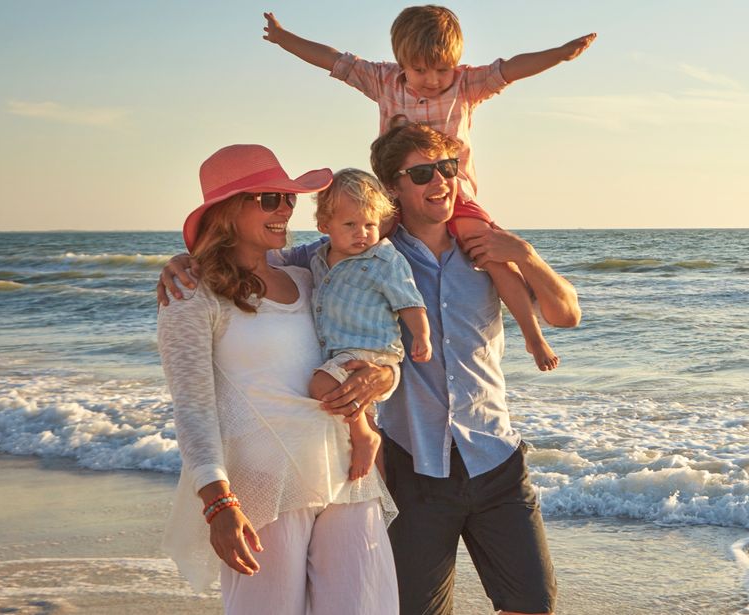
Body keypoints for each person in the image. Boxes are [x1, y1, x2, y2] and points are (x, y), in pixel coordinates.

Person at [159, 124, 582, 615]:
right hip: (390, 467)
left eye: (449, 168)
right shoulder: (343, 255)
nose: (441, 181)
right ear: (393, 190)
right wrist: (186, 261)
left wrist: (525, 255)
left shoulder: (481, 249)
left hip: (466, 460)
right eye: (422, 173)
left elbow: (564, 315)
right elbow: (251, 269)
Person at [260, 5, 594, 372]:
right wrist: (282, 38)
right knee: (354, 248)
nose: (433, 80)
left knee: (493, 255)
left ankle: (532, 337)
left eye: (442, 69)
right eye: (420, 69)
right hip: (391, 199)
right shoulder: (383, 81)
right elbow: (333, 60)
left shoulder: (467, 85)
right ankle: (347, 350)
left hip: (460, 198)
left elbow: (511, 68)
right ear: (401, 62)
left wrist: (560, 55)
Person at [157, 144, 400, 613]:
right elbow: (192, 407)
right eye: (270, 199)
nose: (286, 209)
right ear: (228, 212)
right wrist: (217, 503)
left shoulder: (310, 276)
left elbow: (367, 346)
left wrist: (382, 377)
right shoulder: (192, 293)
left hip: (348, 474)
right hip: (263, 483)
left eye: (288, 198)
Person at [307, 168, 432, 482]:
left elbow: (409, 300)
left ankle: (364, 437)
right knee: (362, 414)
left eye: (370, 225)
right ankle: (378, 498)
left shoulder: (385, 260)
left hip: (372, 353)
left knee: (321, 386)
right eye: (350, 225)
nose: (361, 233)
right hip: (341, 354)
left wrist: (421, 335)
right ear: (324, 225)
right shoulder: (317, 258)